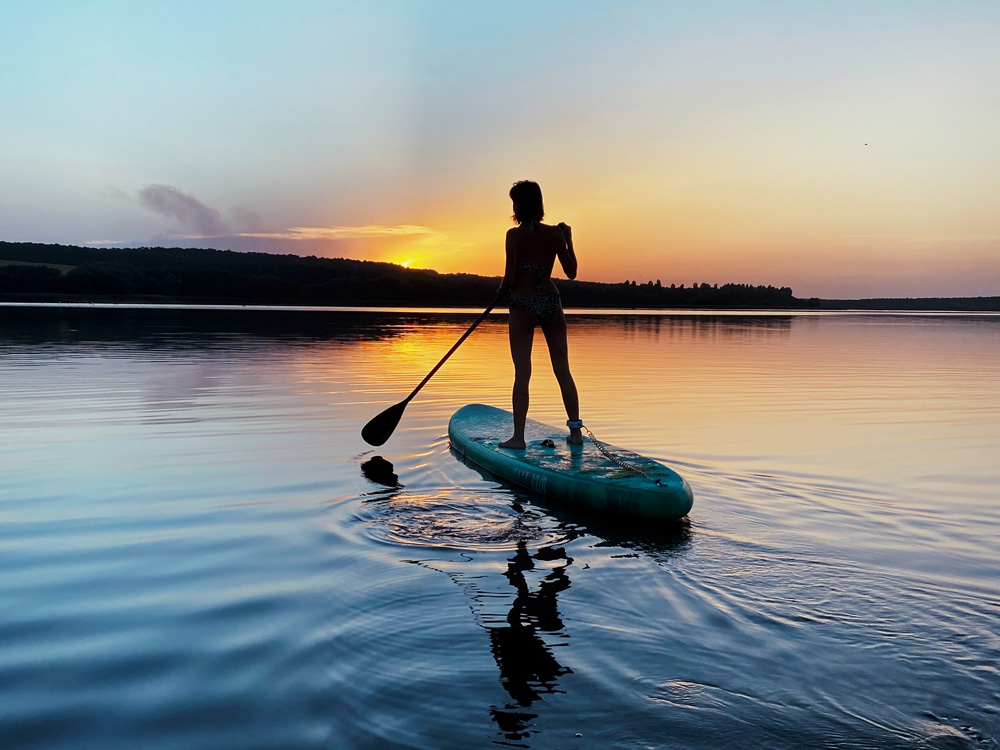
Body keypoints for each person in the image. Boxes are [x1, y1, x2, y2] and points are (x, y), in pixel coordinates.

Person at [496, 180, 583, 449]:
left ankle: (518, 438)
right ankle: (576, 433)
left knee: (522, 372)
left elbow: (510, 278)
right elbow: (571, 272)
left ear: (519, 205)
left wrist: (499, 293)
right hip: (550, 303)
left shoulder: (514, 235)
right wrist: (568, 240)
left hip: (523, 305)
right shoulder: (555, 234)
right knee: (563, 370)